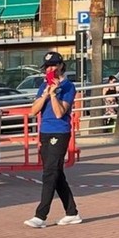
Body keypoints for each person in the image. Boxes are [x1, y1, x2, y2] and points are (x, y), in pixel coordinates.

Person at [24, 51, 81, 228]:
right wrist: (46, 94)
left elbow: (59, 113)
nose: (50, 69)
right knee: (56, 174)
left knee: (50, 173)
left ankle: (40, 215)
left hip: (60, 132)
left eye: (53, 65)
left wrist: (55, 94)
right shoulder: (44, 86)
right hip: (45, 132)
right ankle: (72, 213)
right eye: (47, 67)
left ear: (61, 66)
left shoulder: (68, 87)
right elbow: (33, 111)